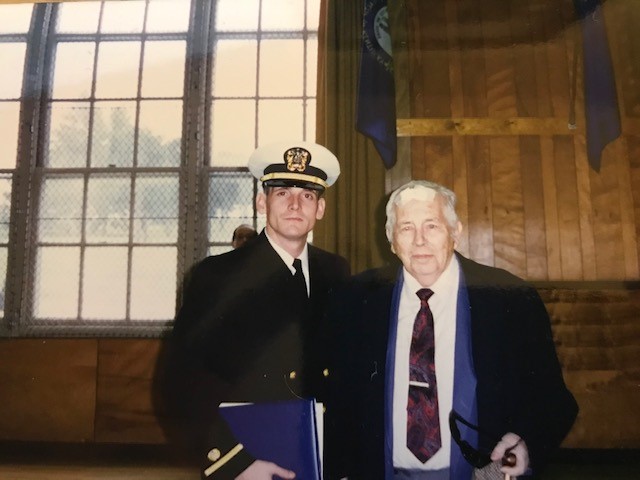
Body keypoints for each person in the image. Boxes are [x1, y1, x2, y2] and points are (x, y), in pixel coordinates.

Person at [324, 180, 578, 480]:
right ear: (391, 240)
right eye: (406, 228)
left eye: (431, 226)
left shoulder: (511, 298)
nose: (419, 241)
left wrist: (526, 444)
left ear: (455, 232)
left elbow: (553, 398)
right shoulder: (357, 299)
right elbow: (339, 398)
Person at [172, 141, 350, 479]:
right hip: (245, 459)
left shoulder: (337, 272)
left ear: (321, 208)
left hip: (320, 457)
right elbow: (185, 379)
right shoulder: (218, 276)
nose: (296, 204)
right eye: (283, 193)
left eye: (308, 195)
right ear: (261, 201)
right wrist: (233, 461)